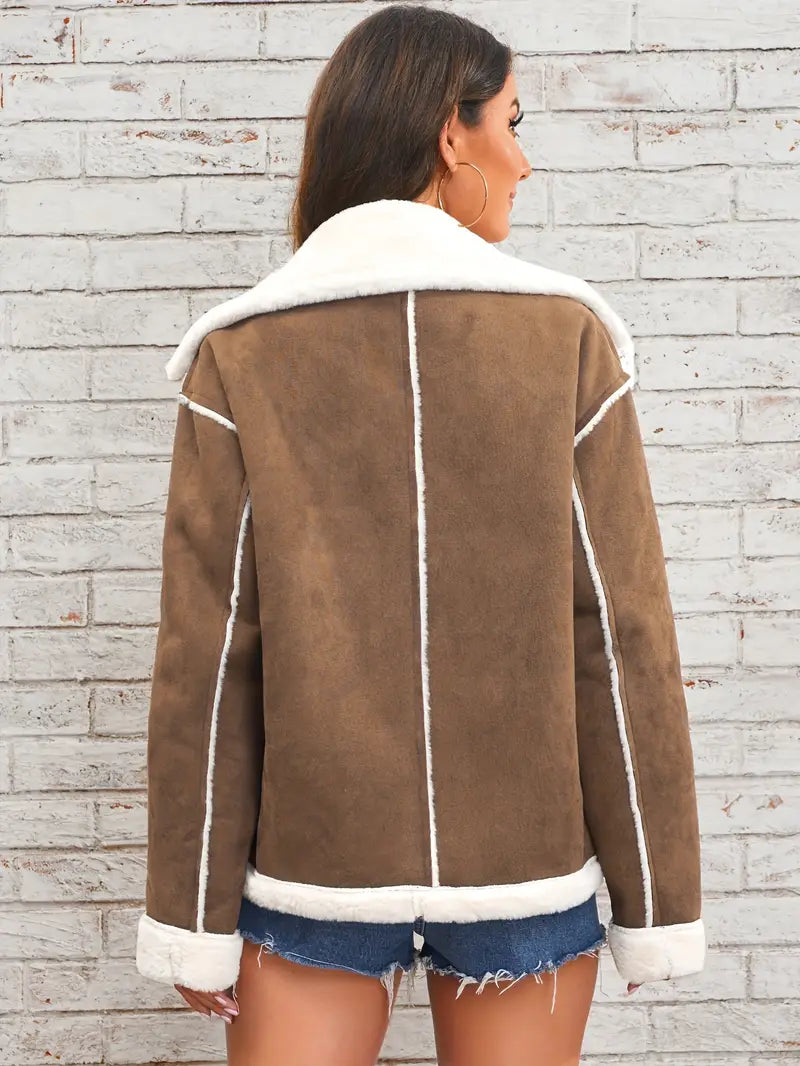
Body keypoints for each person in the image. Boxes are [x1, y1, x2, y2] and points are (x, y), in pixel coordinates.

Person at [134, 5, 706, 1064]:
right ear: (452, 133)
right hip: (523, 865)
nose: (523, 161)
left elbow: (207, 662)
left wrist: (191, 915)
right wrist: (656, 898)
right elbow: (620, 638)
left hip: (314, 867)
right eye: (512, 123)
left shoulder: (240, 351)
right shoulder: (568, 336)